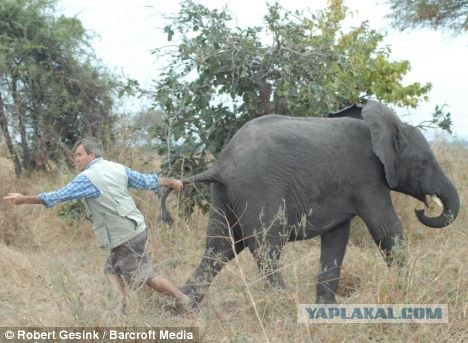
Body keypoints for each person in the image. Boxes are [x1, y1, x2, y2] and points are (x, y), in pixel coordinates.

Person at [3, 137, 190, 312]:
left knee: (145, 278)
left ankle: (184, 301)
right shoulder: (115, 167)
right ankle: (121, 308)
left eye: (79, 155)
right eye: (75, 155)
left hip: (125, 235)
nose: (75, 159)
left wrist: (24, 199)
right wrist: (170, 181)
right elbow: (145, 180)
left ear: (92, 155)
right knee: (111, 269)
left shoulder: (88, 178)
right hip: (134, 228)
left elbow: (57, 196)